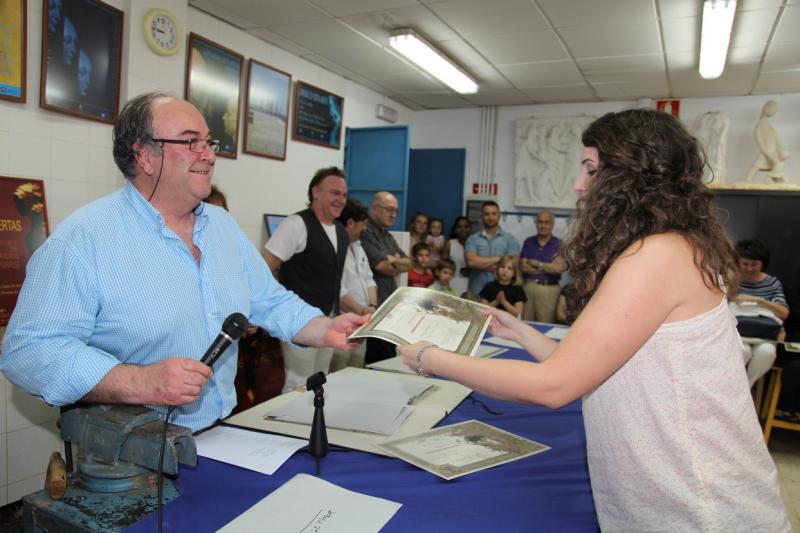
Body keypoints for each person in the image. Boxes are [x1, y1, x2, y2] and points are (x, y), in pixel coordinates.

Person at [398, 109, 789, 531]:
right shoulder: (678, 246)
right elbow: (599, 365)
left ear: (630, 175)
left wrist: (429, 358)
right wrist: (521, 331)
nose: (578, 184)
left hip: (698, 506)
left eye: (590, 168)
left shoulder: (656, 254)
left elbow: (555, 386)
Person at [0, 93, 366, 433]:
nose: (208, 155)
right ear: (144, 155)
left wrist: (324, 328)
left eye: (208, 142)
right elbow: (28, 352)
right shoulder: (84, 240)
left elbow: (268, 300)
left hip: (219, 430)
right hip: (133, 455)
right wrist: (139, 382)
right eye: (191, 142)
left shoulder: (221, 226)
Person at [263, 167, 350, 392]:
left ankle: (313, 426)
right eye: (334, 193)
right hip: (299, 321)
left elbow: (334, 282)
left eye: (344, 194)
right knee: (297, 386)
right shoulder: (296, 224)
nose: (340, 199)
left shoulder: (341, 231)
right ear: (316, 192)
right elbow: (263, 268)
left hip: (329, 321)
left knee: (320, 381)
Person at [360, 191, 410, 363]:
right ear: (374, 208)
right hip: (373, 306)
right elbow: (381, 265)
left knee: (389, 358)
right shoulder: (365, 231)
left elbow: (409, 263)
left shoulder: (387, 235)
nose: (394, 214)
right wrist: (394, 261)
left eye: (396, 210)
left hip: (389, 306)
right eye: (389, 210)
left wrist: (392, 261)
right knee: (377, 361)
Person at [735, 239, 790, 387]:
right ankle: (735, 388)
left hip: (765, 334)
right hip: (738, 333)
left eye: (754, 264)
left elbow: (783, 313)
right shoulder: (732, 280)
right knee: (742, 351)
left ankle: (746, 387)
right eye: (745, 264)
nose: (749, 268)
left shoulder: (772, 283)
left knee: (766, 353)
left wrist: (759, 301)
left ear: (763, 264)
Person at [331, 199, 376, 371]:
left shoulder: (358, 245)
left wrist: (371, 307)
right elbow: (337, 289)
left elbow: (369, 278)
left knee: (356, 371)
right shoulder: (334, 246)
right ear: (350, 223)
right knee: (337, 371)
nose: (365, 228)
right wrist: (362, 311)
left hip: (361, 323)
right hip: (341, 321)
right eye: (363, 224)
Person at [520, 210, 566, 323]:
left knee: (547, 327)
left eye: (547, 222)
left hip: (549, 291)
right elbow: (523, 267)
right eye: (540, 222)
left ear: (552, 224)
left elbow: (558, 269)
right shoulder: (528, 242)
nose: (543, 225)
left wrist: (537, 264)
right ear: (536, 223)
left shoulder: (559, 244)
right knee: (526, 326)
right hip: (528, 288)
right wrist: (549, 268)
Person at [465, 201, 520, 295]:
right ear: (481, 216)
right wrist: (498, 259)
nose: (490, 217)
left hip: (502, 293)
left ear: (499, 215)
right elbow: (471, 262)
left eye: (494, 214)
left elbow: (512, 265)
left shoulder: (510, 240)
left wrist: (481, 264)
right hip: (476, 291)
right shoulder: (472, 239)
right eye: (487, 214)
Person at [745, 100, 789, 183]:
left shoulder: (769, 126)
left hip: (773, 152)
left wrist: (781, 151)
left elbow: (776, 141)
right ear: (765, 109)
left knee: (778, 164)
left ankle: (775, 178)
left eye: (774, 111)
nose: (772, 112)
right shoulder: (760, 126)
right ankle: (749, 178)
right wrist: (767, 153)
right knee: (757, 164)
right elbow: (760, 143)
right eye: (772, 110)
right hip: (766, 152)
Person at [448, 216, 471, 294]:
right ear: (455, 230)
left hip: (471, 284)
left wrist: (470, 270)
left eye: (466, 227)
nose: (463, 229)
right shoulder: (450, 244)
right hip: (453, 283)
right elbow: (442, 265)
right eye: (459, 227)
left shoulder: (476, 244)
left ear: (470, 228)